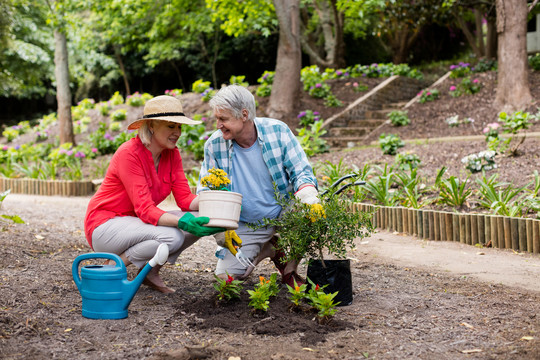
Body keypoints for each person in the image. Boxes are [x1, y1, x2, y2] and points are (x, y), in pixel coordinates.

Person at [84, 95, 224, 294]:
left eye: (179, 127)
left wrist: (217, 199)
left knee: (197, 220)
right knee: (173, 236)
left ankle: (149, 272)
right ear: (151, 125)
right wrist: (181, 222)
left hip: (135, 226)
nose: (177, 132)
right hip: (105, 225)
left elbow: (185, 199)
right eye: (170, 126)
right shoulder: (129, 154)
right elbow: (145, 209)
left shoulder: (172, 154)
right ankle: (113, 267)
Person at [197, 84, 320, 287]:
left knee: (311, 212)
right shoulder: (214, 145)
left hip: (284, 212)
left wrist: (310, 198)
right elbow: (206, 192)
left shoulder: (277, 131)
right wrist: (220, 228)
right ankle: (270, 248)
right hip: (247, 222)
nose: (218, 125)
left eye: (223, 119)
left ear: (244, 114)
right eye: (217, 118)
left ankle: (290, 269)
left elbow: (301, 172)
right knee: (228, 278)